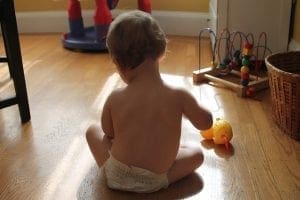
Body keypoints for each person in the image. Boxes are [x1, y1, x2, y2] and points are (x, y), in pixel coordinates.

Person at [86, 10, 213, 193]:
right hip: (154, 180)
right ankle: (163, 176)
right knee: (197, 154)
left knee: (92, 131)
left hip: (115, 176)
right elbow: (205, 123)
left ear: (119, 63)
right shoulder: (179, 95)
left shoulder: (115, 98)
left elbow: (108, 132)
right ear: (161, 52)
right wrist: (205, 115)